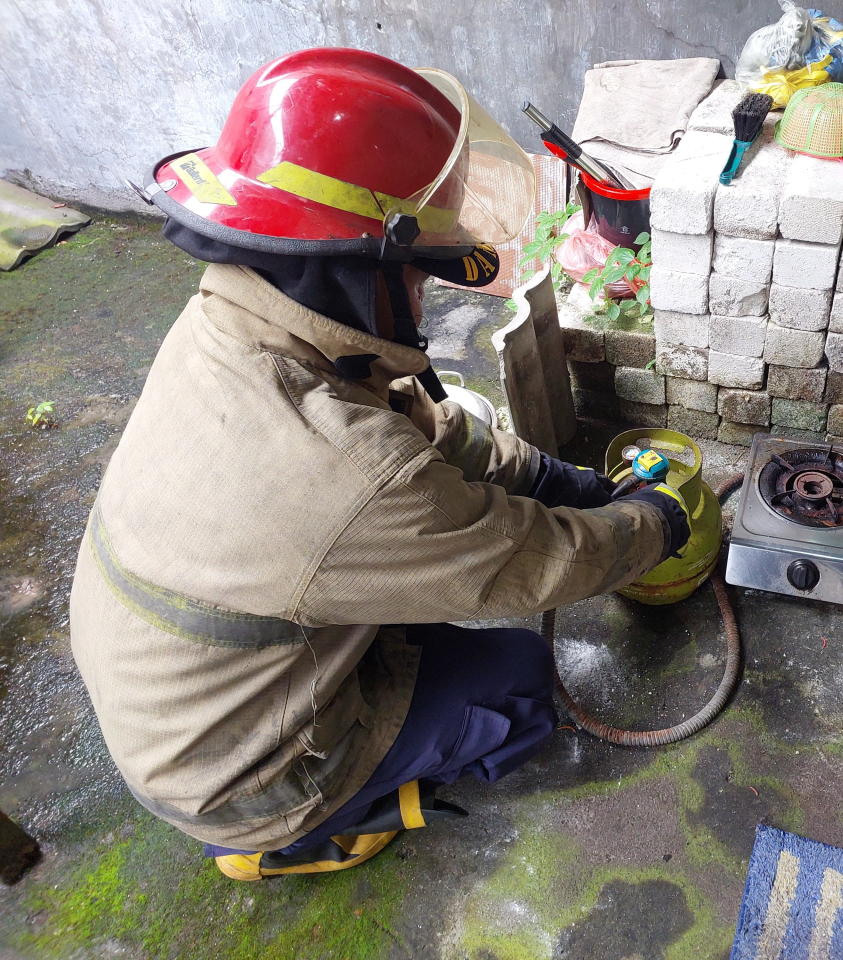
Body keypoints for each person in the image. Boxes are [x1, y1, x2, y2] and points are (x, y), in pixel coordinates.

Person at [67, 47, 688, 881]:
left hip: (181, 685)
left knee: (434, 599)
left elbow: (428, 434)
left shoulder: (248, 320)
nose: (432, 294)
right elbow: (530, 563)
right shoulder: (338, 470)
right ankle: (298, 834)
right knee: (518, 682)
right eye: (425, 270)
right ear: (355, 268)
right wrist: (651, 525)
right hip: (235, 770)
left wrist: (554, 479)